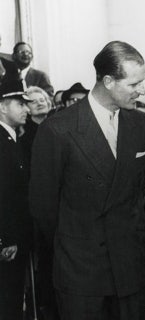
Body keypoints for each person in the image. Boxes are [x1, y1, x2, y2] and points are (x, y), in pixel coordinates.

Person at [29, 41, 145, 320]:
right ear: (108, 80)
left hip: (130, 266)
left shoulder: (142, 126)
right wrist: (75, 243)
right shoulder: (58, 129)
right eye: (134, 83)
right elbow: (43, 208)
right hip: (80, 271)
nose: (141, 90)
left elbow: (136, 189)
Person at [0, 81, 33, 320]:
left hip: (17, 236)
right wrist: (7, 238)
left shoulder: (12, 139)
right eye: (20, 104)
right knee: (8, 300)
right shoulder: (2, 141)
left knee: (13, 297)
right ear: (2, 107)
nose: (27, 110)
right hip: (8, 241)